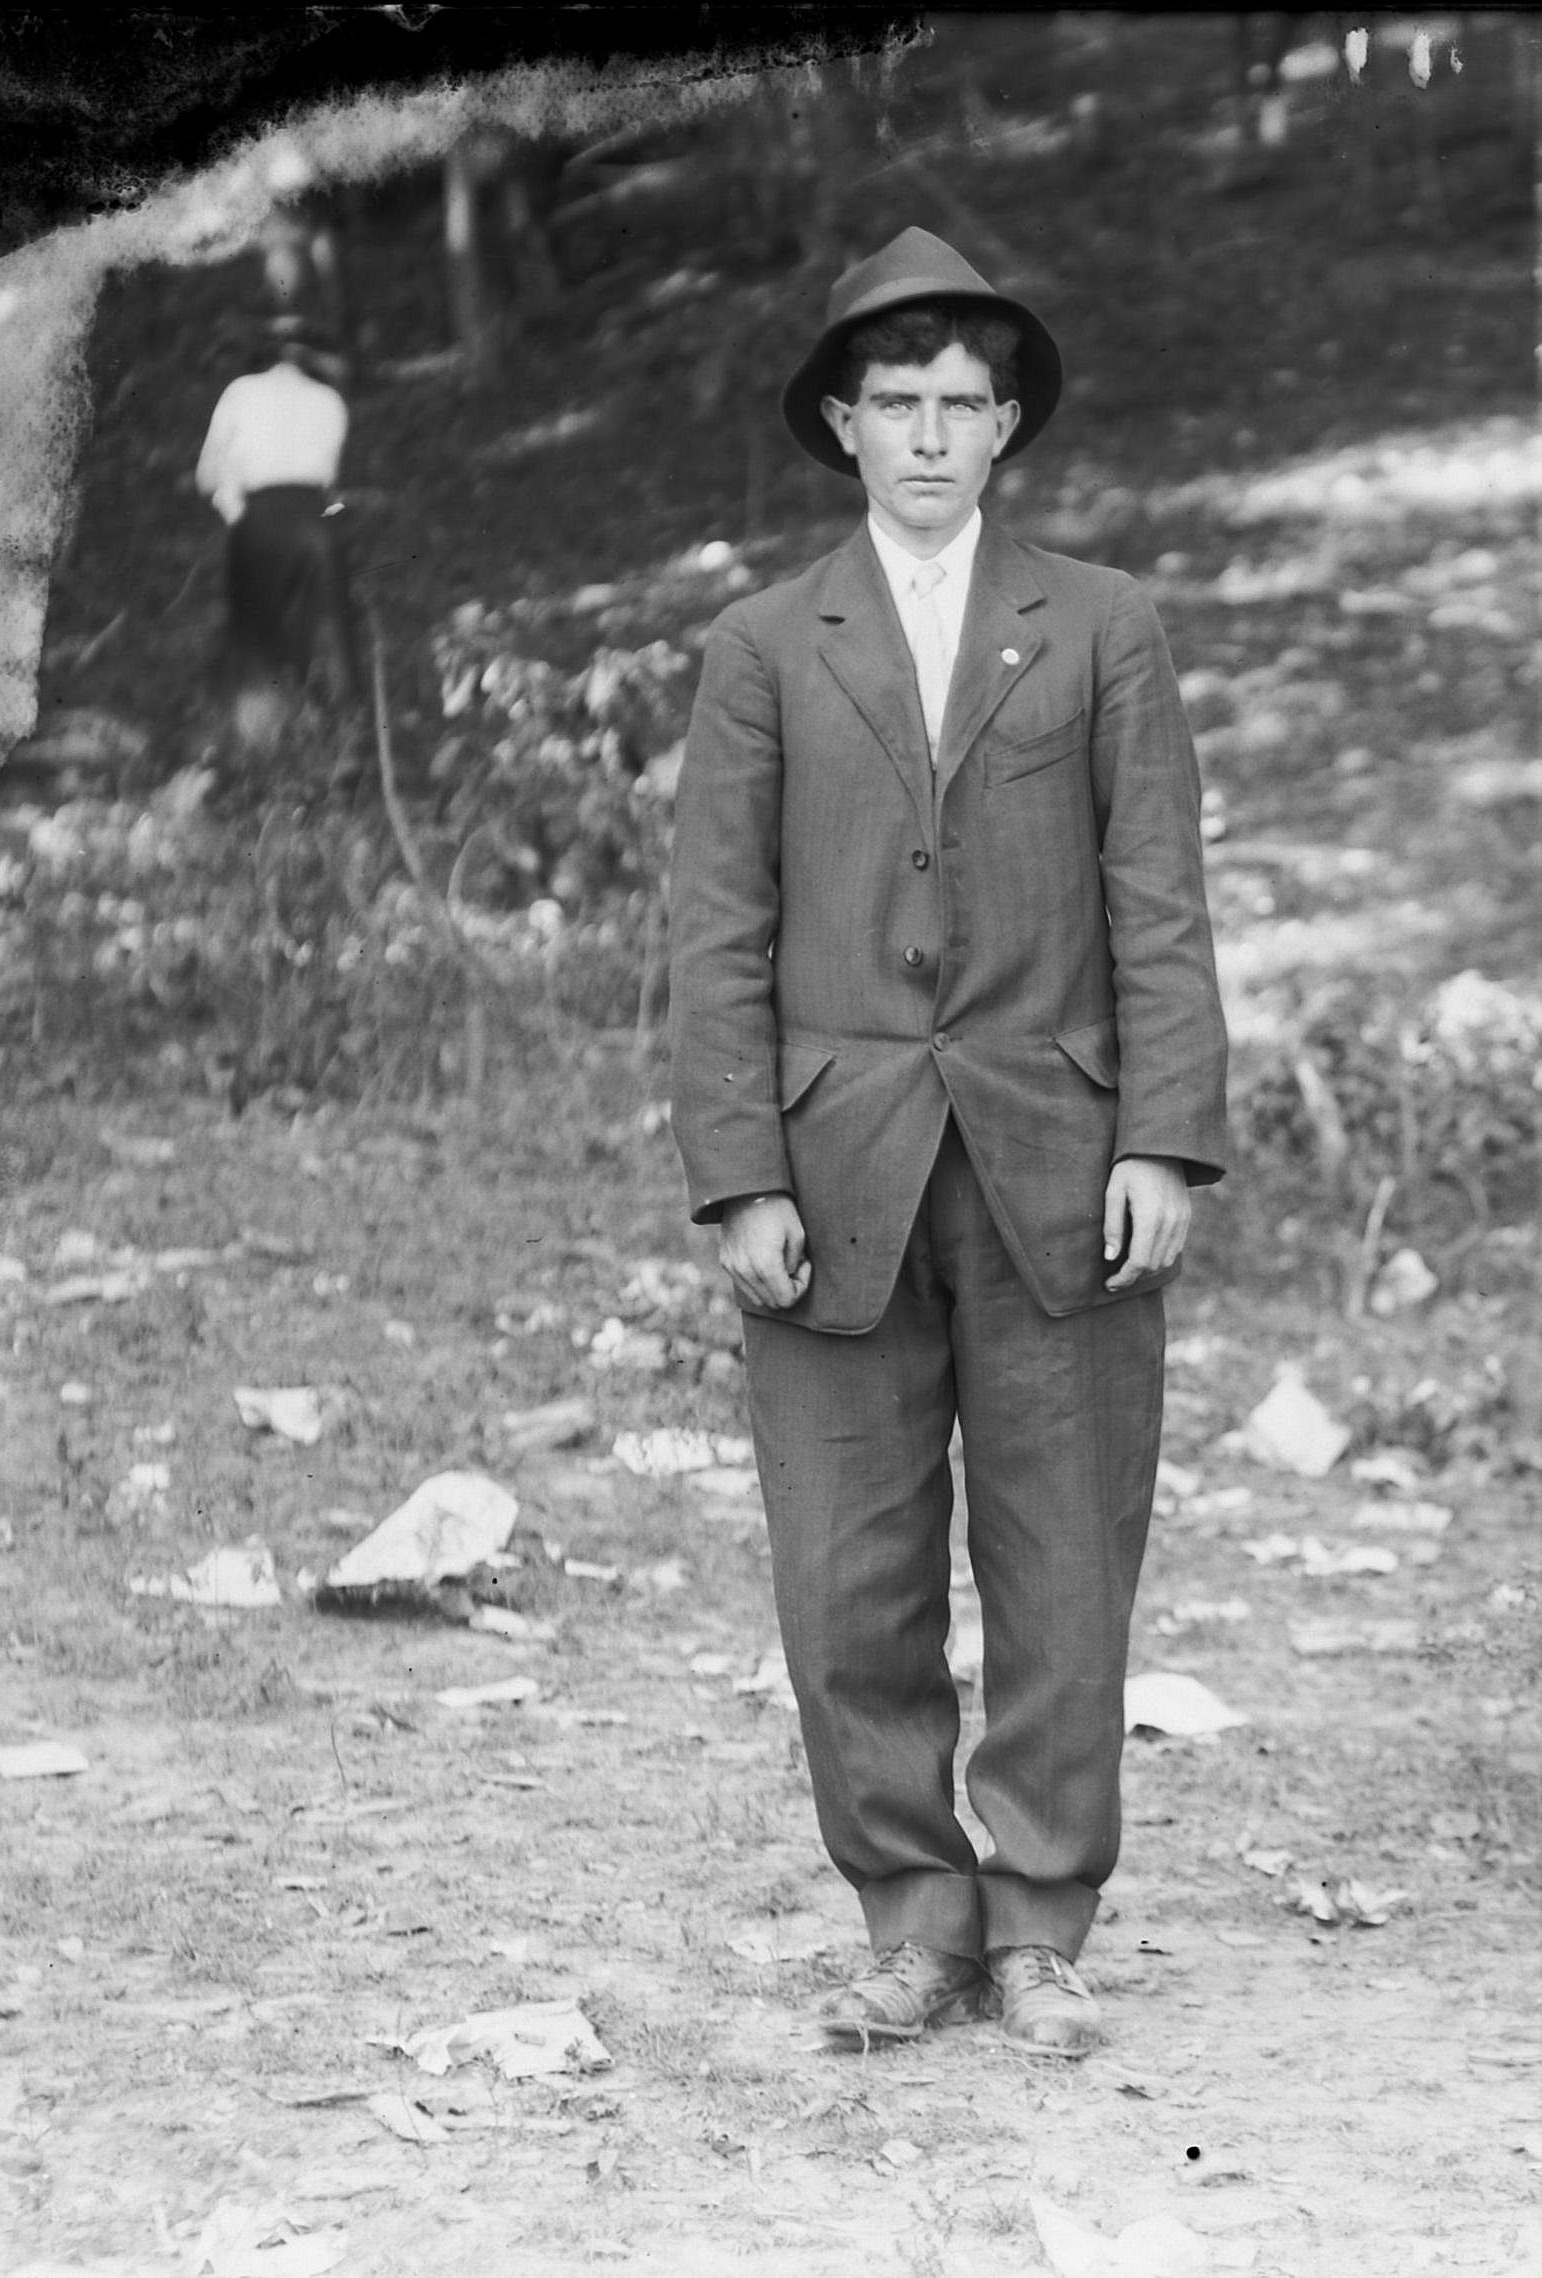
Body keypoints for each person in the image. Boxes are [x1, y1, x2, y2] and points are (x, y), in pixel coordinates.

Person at [668, 228, 1228, 2057]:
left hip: (1063, 1162)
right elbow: (715, 929)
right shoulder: (765, 645)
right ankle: (912, 1919)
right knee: (848, 1569)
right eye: (895, 403)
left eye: (961, 405)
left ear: (1006, 429)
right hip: (831, 1177)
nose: (927, 435)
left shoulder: (1103, 622)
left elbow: (1159, 905)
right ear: (841, 424)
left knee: (1063, 1554)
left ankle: (1042, 1921)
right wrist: (740, 1170)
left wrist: (1163, 1138)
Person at [195, 317, 361, 721]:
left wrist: (233, 506)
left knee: (255, 632)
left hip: (259, 519)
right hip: (314, 520)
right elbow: (330, 480)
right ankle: (342, 722)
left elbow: (207, 475)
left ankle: (261, 729)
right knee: (329, 627)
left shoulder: (239, 392)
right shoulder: (330, 400)